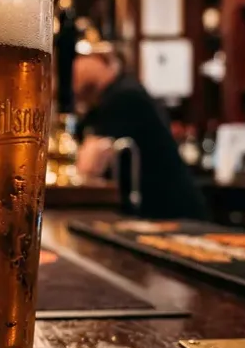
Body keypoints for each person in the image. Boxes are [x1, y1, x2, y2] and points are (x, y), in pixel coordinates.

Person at [72, 46, 208, 220]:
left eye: (79, 59)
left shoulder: (124, 95)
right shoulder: (111, 96)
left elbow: (89, 164)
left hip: (171, 212)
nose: (74, 69)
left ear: (101, 61)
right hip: (161, 210)